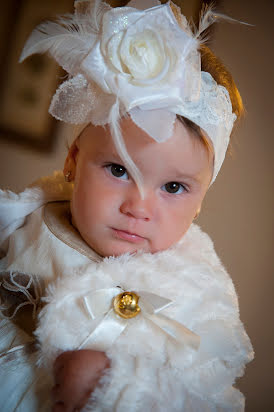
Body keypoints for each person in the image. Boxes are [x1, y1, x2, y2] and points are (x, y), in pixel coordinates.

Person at [0, 0, 253, 411]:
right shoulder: (24, 217)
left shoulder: (195, 289)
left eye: (173, 186)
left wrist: (109, 385)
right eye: (118, 170)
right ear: (73, 161)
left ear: (200, 203)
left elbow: (206, 394)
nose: (138, 206)